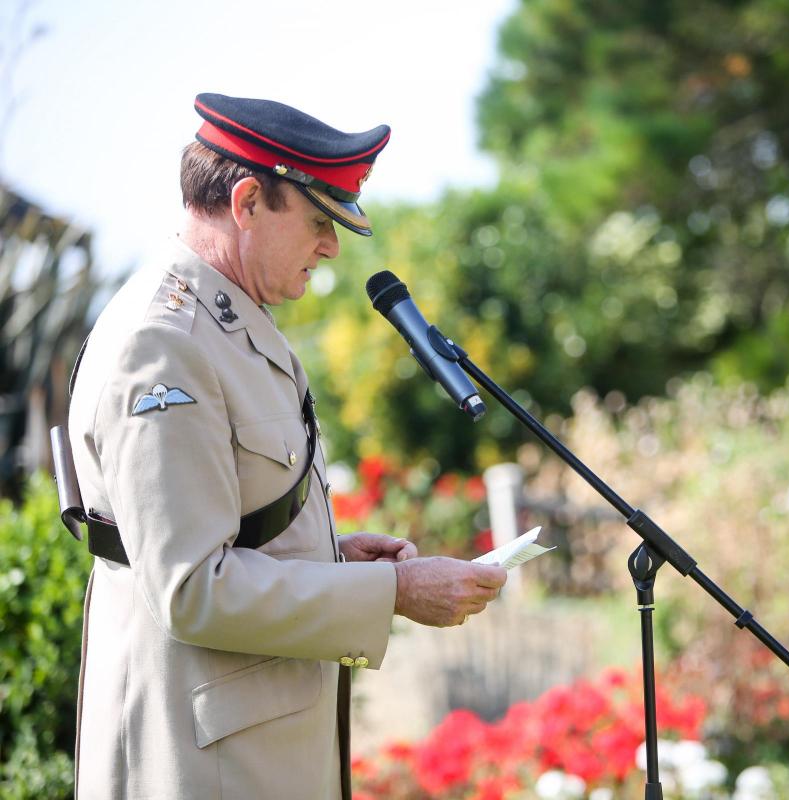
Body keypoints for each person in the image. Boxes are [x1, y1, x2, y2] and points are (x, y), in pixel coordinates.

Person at [66, 93, 508, 799]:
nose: (331, 246)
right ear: (246, 202)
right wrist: (391, 591)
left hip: (250, 745)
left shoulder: (229, 320)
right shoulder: (164, 344)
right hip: (202, 761)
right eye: (317, 221)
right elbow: (191, 588)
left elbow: (230, 526)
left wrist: (332, 559)